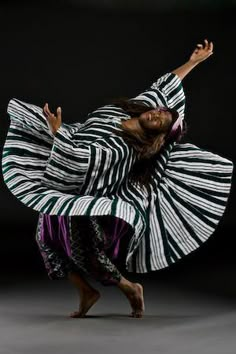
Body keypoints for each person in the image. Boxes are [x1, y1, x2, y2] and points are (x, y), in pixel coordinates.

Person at [2, 40, 233, 318]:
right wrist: (193, 62)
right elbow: (163, 87)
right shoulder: (127, 111)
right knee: (46, 240)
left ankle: (130, 289)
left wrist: (58, 134)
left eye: (160, 120)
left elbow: (80, 160)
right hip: (68, 190)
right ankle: (87, 292)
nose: (157, 113)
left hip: (89, 201)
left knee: (86, 253)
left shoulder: (124, 148)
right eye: (159, 111)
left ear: (155, 135)